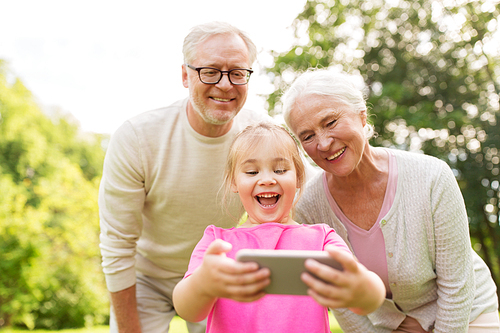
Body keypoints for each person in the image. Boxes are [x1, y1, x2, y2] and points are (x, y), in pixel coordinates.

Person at [280, 68, 500, 333]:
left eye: (330, 122)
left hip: (466, 315)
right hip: (390, 326)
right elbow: (340, 299)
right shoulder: (308, 207)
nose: (324, 143)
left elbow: (457, 286)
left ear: (362, 116)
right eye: (308, 136)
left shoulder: (432, 176)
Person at [98, 22, 271, 333]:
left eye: (237, 72)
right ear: (185, 75)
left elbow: (303, 190)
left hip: (218, 272)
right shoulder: (138, 138)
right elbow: (117, 243)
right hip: (147, 278)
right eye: (210, 71)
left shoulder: (261, 135)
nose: (225, 84)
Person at [172, 122, 386, 333]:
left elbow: (369, 299)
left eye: (280, 169)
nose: (266, 179)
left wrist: (361, 287)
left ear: (298, 177)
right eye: (252, 172)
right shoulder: (217, 243)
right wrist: (203, 284)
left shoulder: (322, 240)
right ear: (233, 182)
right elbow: (188, 311)